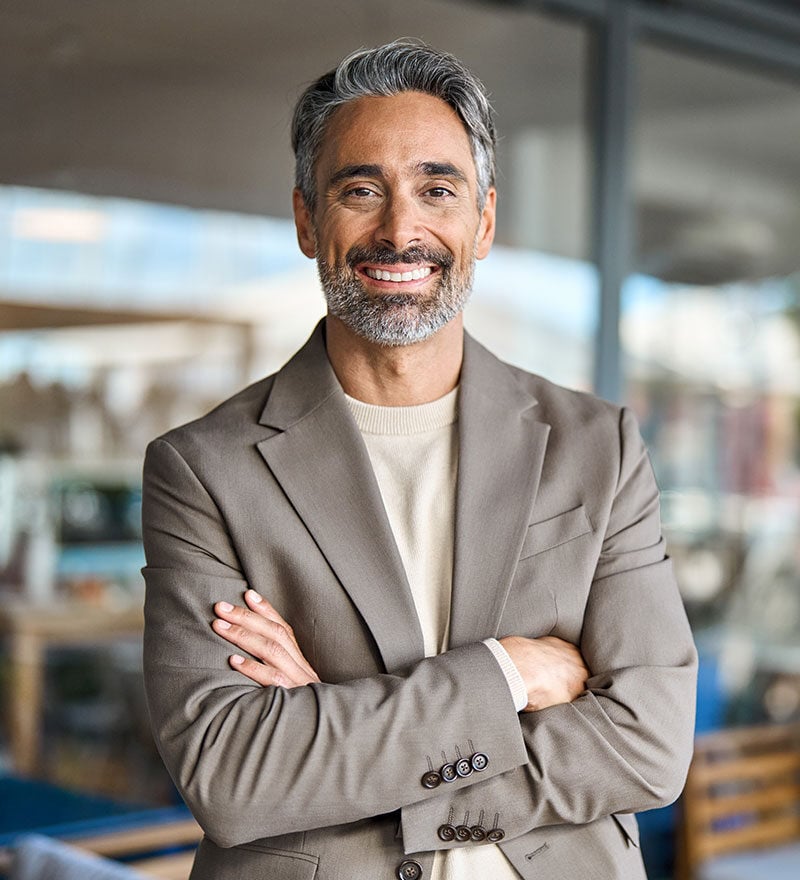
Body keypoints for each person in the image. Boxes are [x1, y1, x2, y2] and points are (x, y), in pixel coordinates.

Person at [142, 39, 697, 880]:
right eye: (360, 190)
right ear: (305, 220)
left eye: (437, 190)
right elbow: (233, 774)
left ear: (483, 221)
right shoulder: (203, 469)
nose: (401, 230)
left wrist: (332, 727)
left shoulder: (598, 446)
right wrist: (510, 673)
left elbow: (650, 744)